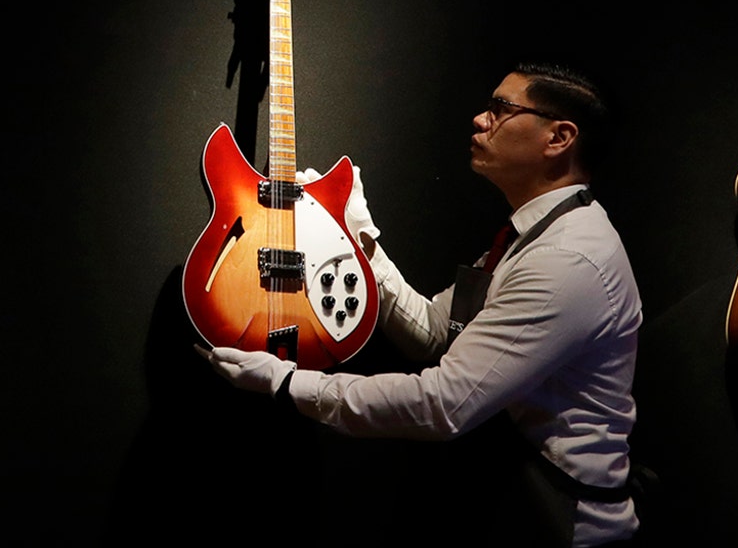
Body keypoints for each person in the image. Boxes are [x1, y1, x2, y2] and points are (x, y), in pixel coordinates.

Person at [200, 63, 642, 546]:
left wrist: (287, 382)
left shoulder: (566, 258)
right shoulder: (533, 236)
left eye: (501, 109)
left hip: (560, 526)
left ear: (558, 137)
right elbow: (434, 331)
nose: (479, 120)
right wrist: (362, 239)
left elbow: (444, 404)